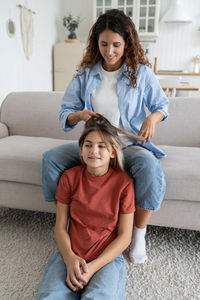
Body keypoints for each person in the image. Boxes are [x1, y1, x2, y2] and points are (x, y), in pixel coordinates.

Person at [41, 9, 169, 264]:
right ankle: (70, 224)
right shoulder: (85, 73)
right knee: (50, 159)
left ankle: (138, 236)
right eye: (104, 44)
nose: (109, 51)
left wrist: (151, 118)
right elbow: (64, 113)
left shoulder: (140, 73)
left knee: (148, 166)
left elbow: (162, 106)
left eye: (116, 45)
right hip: (96, 147)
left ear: (127, 43)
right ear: (95, 43)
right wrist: (80, 115)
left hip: (127, 147)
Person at [36, 115, 135, 299]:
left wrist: (92, 268)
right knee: (49, 296)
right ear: (81, 150)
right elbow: (60, 227)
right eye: (88, 145)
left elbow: (125, 237)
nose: (93, 151)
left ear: (113, 152)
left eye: (101, 146)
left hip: (106, 259)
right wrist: (70, 258)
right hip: (71, 252)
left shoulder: (124, 184)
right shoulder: (69, 177)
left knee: (99, 297)